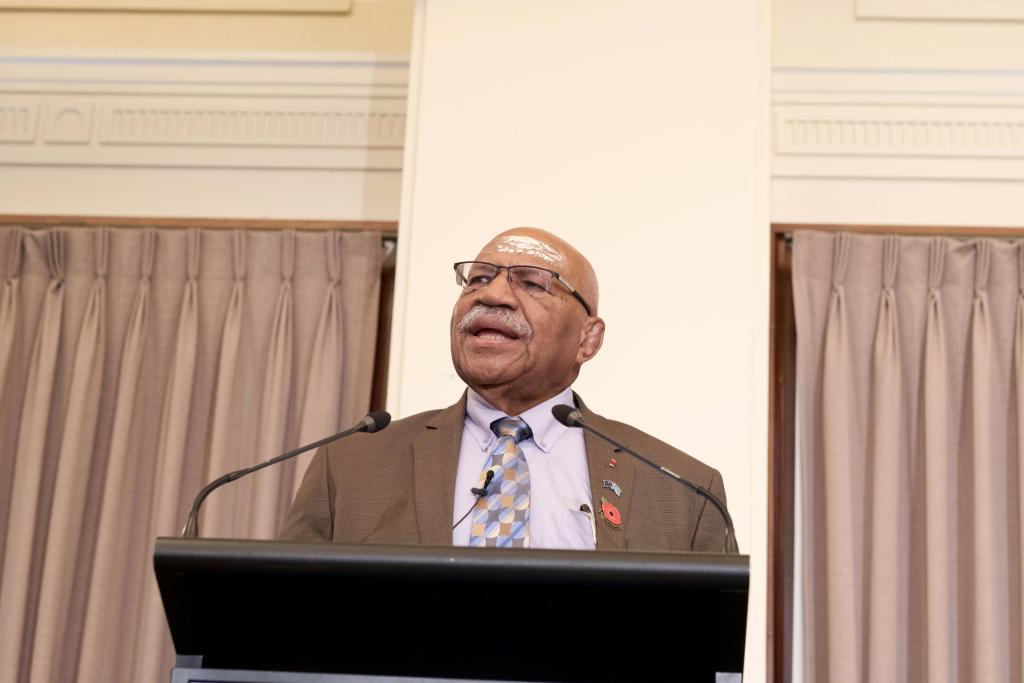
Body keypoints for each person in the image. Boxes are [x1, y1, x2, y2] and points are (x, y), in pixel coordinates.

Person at [280, 228, 731, 552]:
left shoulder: (685, 491)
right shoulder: (350, 465)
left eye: (532, 283)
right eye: (478, 279)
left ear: (588, 339)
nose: (493, 295)